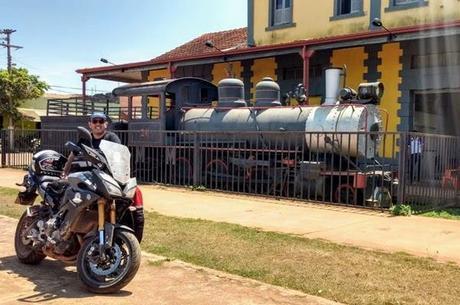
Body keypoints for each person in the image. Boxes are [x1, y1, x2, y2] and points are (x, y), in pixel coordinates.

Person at [62, 112, 121, 177]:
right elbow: (72, 155)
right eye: (95, 121)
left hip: (106, 176)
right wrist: (65, 173)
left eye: (101, 121)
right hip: (86, 175)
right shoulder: (85, 138)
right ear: (90, 124)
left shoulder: (112, 137)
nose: (98, 124)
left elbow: (119, 154)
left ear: (106, 124)